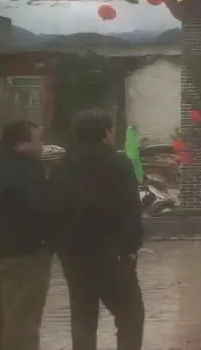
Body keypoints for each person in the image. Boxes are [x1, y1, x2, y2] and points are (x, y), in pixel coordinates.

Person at [49, 109, 145, 350]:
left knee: (82, 316)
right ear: (106, 133)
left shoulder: (61, 166)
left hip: (74, 254)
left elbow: (53, 209)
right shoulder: (118, 164)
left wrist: (60, 247)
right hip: (112, 253)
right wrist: (131, 247)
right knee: (130, 314)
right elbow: (131, 208)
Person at [0, 120, 52, 350]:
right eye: (38, 139)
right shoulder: (27, 171)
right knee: (22, 321)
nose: (42, 144)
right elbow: (38, 211)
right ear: (21, 144)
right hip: (24, 255)